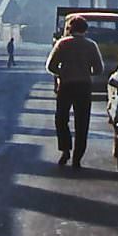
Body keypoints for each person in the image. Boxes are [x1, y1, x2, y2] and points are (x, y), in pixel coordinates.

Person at [45, 15, 104, 168]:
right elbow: (99, 69)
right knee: (82, 122)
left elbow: (50, 66)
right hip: (83, 86)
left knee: (61, 119)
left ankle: (65, 149)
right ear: (85, 29)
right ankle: (78, 157)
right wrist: (86, 72)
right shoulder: (91, 45)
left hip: (66, 85)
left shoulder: (62, 44)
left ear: (70, 28)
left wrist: (61, 73)